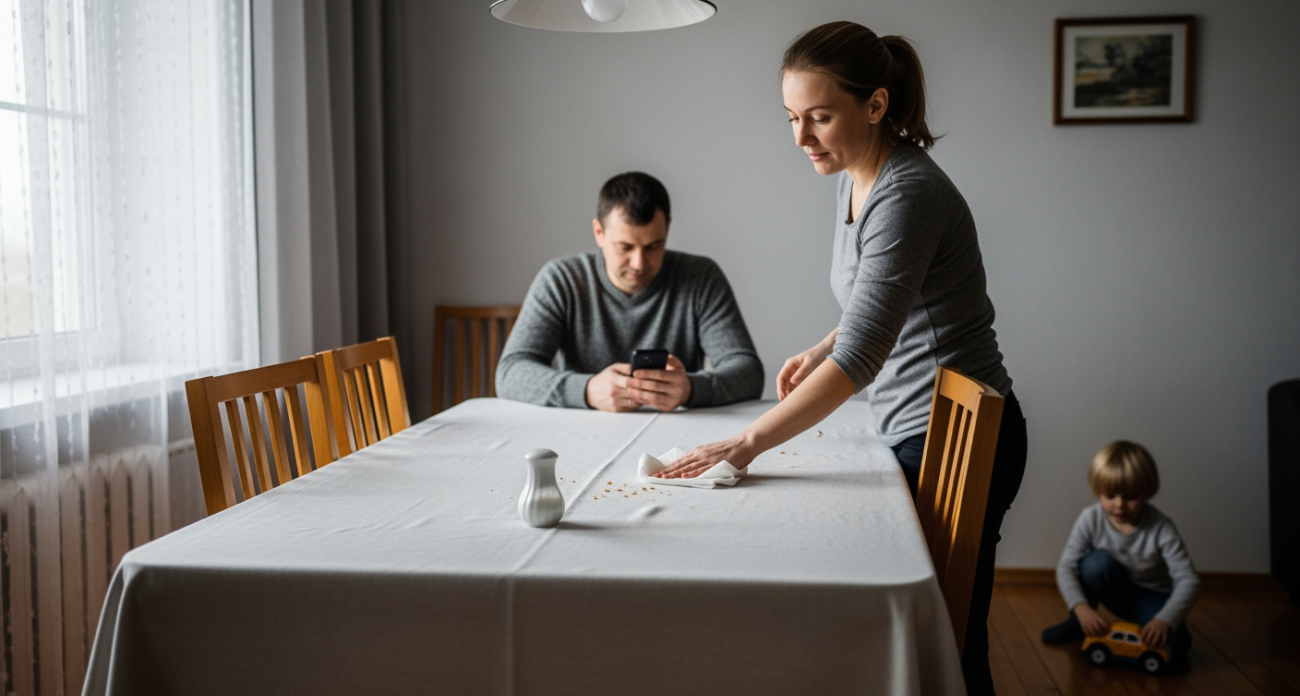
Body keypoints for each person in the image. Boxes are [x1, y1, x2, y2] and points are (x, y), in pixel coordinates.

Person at [656, 21, 1027, 694]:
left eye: (819, 117)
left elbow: (861, 359)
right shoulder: (854, 175)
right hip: (917, 428)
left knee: (949, 644)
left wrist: (745, 442)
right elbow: (877, 309)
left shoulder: (906, 193)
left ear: (876, 105)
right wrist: (822, 344)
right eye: (793, 117)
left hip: (960, 440)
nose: (800, 138)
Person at [495, 171, 764, 412]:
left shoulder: (700, 277)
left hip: (676, 434)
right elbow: (510, 374)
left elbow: (748, 373)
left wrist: (690, 389)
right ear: (598, 232)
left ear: (667, 229)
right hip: (580, 431)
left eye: (653, 246)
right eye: (625, 247)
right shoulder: (562, 279)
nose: (639, 263)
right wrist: (587, 390)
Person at [1042, 441, 1198, 661]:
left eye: (1130, 496)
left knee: (1177, 644)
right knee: (1095, 564)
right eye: (1110, 495)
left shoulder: (1161, 527)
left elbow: (1188, 580)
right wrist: (1081, 608)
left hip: (1151, 597)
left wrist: (1163, 620)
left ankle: (1144, 622)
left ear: (1146, 491)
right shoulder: (1091, 518)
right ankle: (1078, 624)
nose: (1120, 504)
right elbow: (1066, 566)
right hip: (1114, 589)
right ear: (1098, 491)